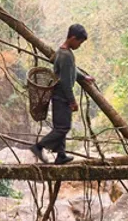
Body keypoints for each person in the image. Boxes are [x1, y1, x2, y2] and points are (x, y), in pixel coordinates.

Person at [32, 24, 93, 165]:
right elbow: (65, 82)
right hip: (61, 97)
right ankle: (38, 147)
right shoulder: (65, 55)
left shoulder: (63, 52)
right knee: (63, 128)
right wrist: (72, 101)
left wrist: (84, 77)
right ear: (72, 38)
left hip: (59, 96)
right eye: (79, 42)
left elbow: (72, 71)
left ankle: (61, 155)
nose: (79, 45)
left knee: (61, 126)